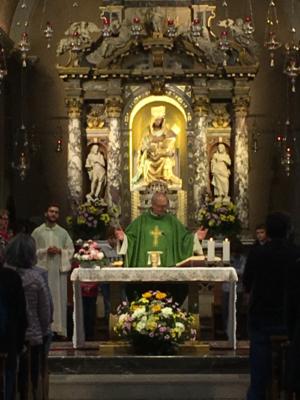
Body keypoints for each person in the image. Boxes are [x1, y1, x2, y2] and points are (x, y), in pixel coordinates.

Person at [243, 212, 299, 400]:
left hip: (262, 316)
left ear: (267, 232)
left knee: (259, 366)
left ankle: (257, 393)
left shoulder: (258, 252)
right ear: (289, 231)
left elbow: (247, 283)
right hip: (289, 319)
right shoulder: (295, 253)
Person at [116, 192, 207, 302]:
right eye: (160, 206)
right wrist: (124, 238)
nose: (163, 209)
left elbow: (184, 239)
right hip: (145, 270)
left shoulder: (172, 221)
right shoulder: (141, 221)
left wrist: (195, 238)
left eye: (165, 206)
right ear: (152, 204)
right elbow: (131, 239)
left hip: (168, 270)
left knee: (176, 291)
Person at [4, 233, 51, 400]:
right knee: (29, 376)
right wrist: (44, 330)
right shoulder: (36, 278)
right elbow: (45, 312)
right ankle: (33, 391)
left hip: (8, 337)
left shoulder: (4, 276)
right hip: (32, 336)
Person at [31, 204, 74, 338]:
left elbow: (71, 250)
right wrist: (45, 251)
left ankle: (58, 329)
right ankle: (43, 329)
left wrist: (61, 251)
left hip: (58, 272)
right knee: (42, 300)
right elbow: (31, 251)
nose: (53, 214)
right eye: (51, 211)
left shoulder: (63, 233)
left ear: (58, 215)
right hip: (42, 271)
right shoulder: (37, 232)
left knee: (58, 299)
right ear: (46, 213)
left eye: (56, 212)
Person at [0, 247, 27, 400]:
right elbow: (21, 313)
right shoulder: (12, 277)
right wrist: (20, 342)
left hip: (7, 336)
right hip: (7, 339)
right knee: (10, 367)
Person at [132, 105, 182, 187]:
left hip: (162, 155)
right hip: (150, 156)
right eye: (157, 120)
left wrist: (164, 148)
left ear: (162, 120)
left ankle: (165, 180)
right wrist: (147, 147)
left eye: (160, 120)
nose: (158, 122)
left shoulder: (166, 130)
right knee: (148, 163)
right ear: (153, 120)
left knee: (165, 161)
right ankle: (148, 181)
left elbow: (170, 147)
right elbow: (142, 146)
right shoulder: (147, 130)